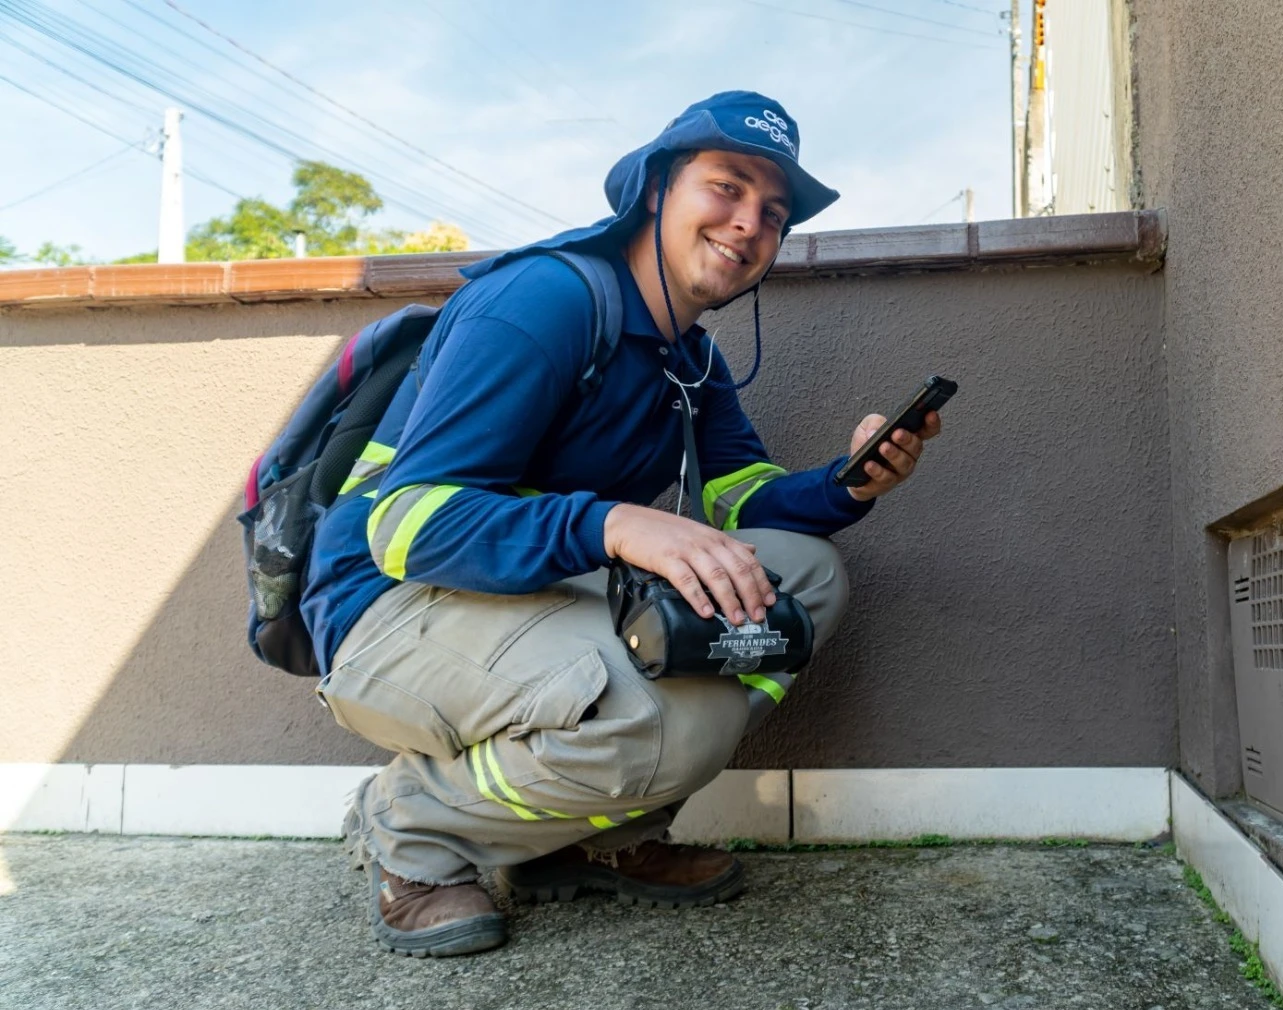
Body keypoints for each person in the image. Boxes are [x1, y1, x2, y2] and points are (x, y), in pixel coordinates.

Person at [303, 91, 942, 957]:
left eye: (773, 212)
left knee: (803, 577)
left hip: (531, 599)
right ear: (654, 189)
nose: (750, 222)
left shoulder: (691, 357)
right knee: (665, 720)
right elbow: (409, 525)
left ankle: (591, 835)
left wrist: (850, 482)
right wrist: (616, 526)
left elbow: (741, 498)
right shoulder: (544, 299)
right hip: (389, 610)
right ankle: (409, 825)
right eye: (727, 187)